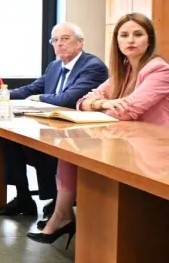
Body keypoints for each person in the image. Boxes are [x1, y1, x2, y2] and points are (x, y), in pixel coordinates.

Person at [28, 13, 169, 248]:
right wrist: (102, 102)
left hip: (154, 147)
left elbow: (128, 110)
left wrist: (98, 104)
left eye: (138, 34)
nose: (130, 40)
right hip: (125, 139)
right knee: (70, 151)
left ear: (149, 39)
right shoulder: (124, 69)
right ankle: (63, 214)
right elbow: (82, 101)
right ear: (117, 41)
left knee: (82, 152)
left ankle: (76, 222)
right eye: (124, 35)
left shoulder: (159, 70)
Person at [0, 22, 107, 222]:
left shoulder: (93, 67)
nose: (59, 44)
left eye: (65, 39)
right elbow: (32, 88)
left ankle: (57, 202)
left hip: (78, 132)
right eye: (55, 40)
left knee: (43, 146)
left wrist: (40, 98)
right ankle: (23, 198)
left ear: (80, 42)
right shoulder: (54, 66)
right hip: (52, 124)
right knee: (9, 138)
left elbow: (68, 99)